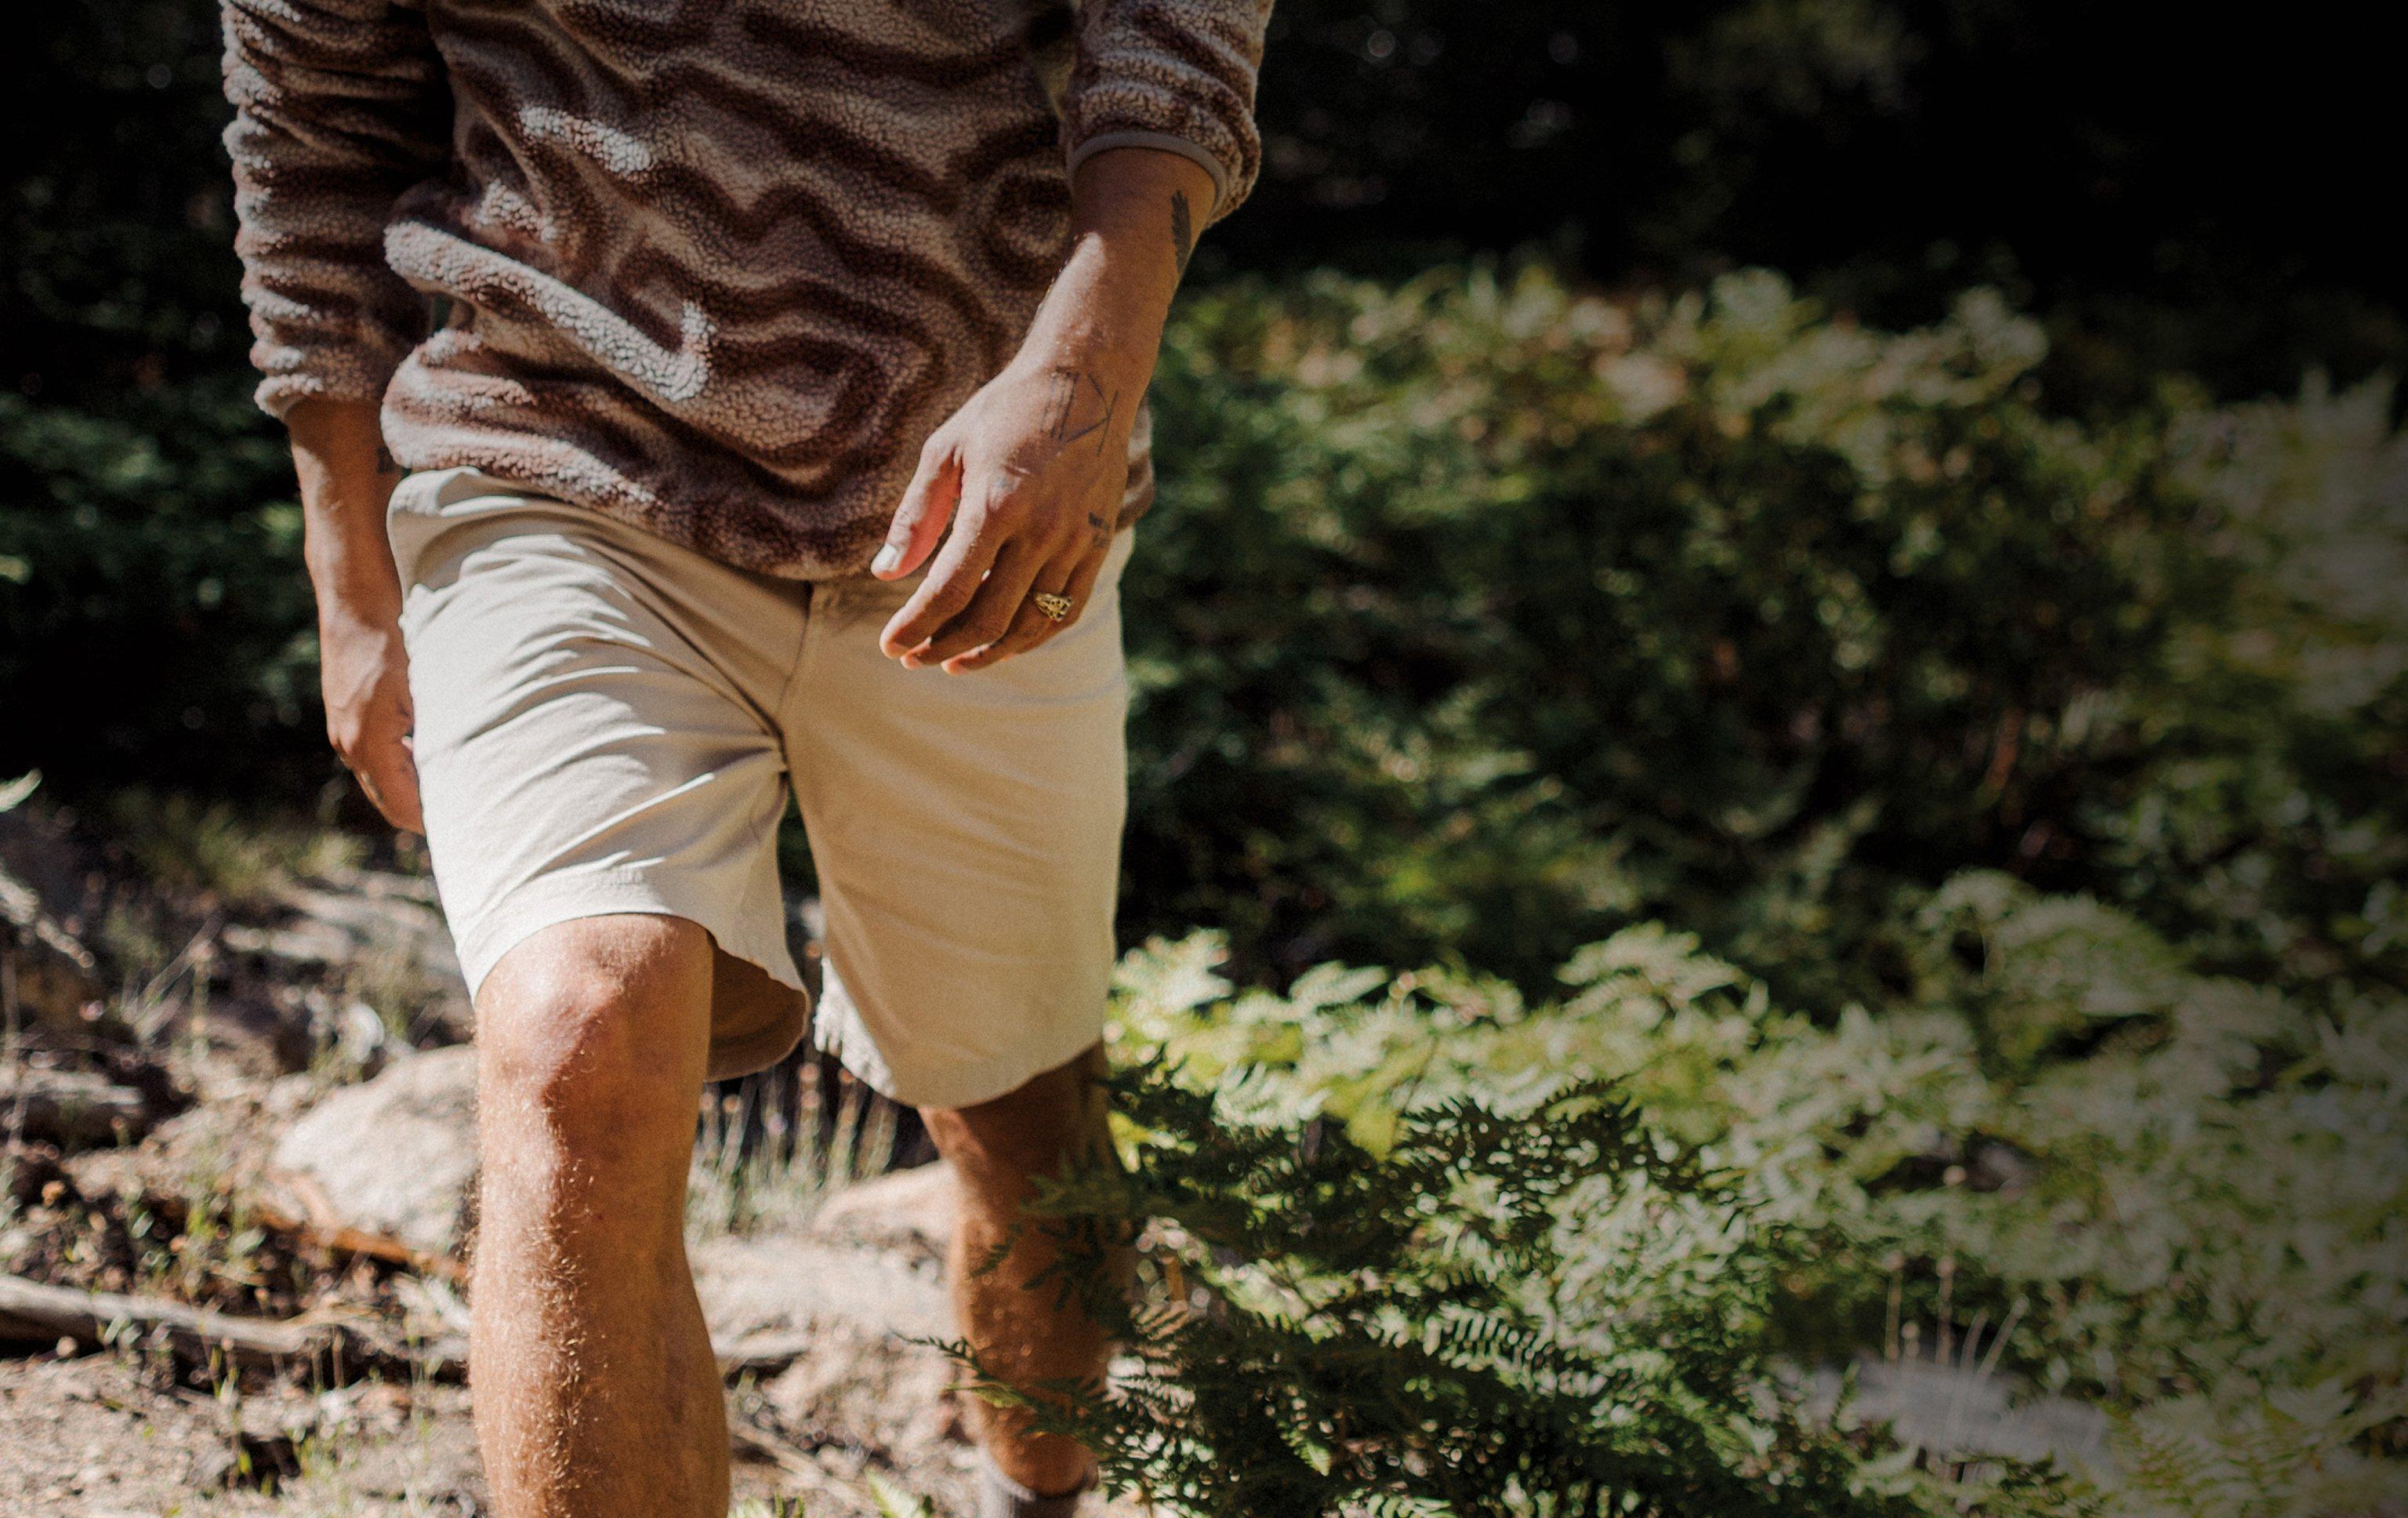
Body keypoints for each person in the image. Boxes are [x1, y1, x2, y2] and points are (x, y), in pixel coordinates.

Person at [218, 2, 1269, 1513]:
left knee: (1022, 1119)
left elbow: (1171, 31)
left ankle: (1036, 1494)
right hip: (553, 454)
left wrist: (1084, 376)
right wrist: (348, 573)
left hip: (972, 486)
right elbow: (309, 129)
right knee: (579, 1037)